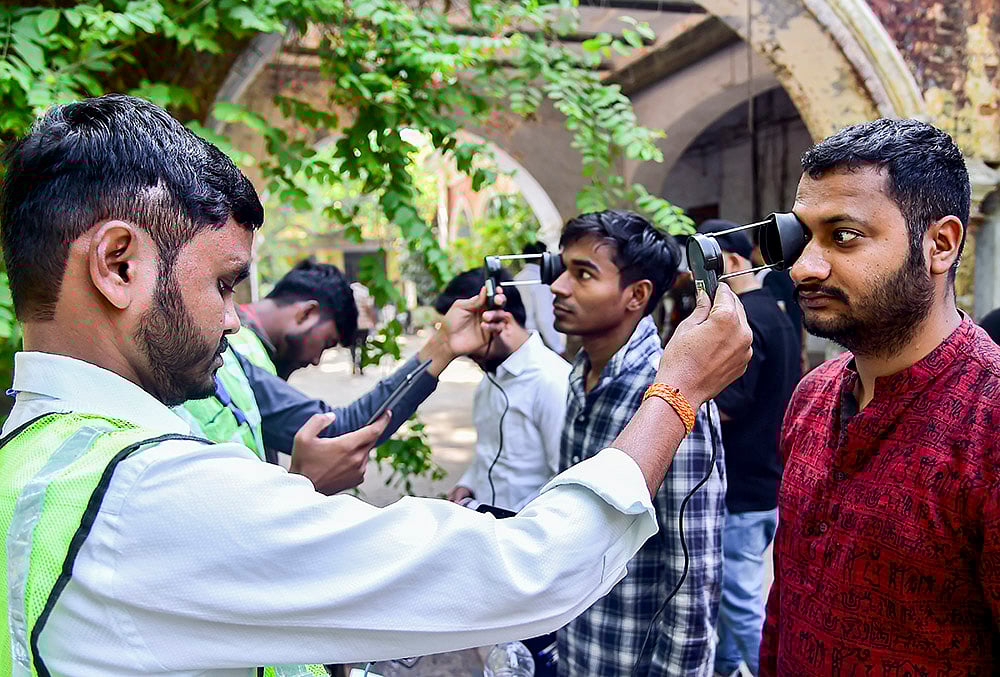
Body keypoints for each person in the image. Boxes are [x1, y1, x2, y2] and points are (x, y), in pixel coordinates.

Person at [0, 94, 753, 675]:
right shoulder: (148, 493)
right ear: (119, 264)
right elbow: (527, 570)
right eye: (223, 283)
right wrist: (679, 388)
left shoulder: (30, 454)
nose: (234, 321)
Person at [760, 118, 1000, 674]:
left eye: (843, 236)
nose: (804, 267)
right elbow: (786, 598)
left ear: (940, 244)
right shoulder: (813, 396)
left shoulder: (988, 422)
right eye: (803, 237)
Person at [550, 210, 727, 676]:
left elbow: (693, 571)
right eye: (563, 269)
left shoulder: (669, 393)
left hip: (633, 658)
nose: (559, 287)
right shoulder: (578, 373)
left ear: (637, 295)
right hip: (578, 645)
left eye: (583, 274)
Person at [695, 220, 801, 677]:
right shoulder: (775, 311)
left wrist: (684, 391)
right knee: (730, 596)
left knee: (740, 602)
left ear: (733, 262)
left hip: (743, 486)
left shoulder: (747, 319)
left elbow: (731, 403)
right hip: (764, 478)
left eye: (708, 269)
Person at [436, 269, 570, 511]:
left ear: (502, 323)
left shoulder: (552, 381)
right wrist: (467, 484)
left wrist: (502, 519)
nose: (461, 349)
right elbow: (487, 454)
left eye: (465, 332)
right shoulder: (488, 382)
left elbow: (565, 481)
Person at [514, 241, 566, 355]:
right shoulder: (539, 279)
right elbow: (544, 318)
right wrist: (558, 348)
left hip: (521, 339)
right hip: (541, 341)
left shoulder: (517, 278)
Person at [349, 280, 377, 375]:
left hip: (352, 324)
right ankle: (361, 366)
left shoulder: (349, 291)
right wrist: (373, 322)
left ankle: (354, 363)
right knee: (363, 346)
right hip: (364, 324)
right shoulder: (365, 291)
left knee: (352, 346)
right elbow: (369, 308)